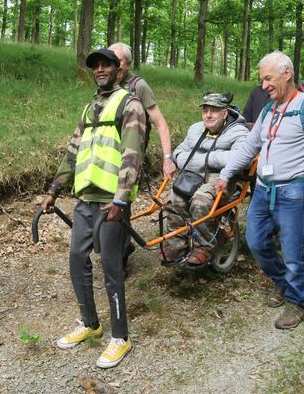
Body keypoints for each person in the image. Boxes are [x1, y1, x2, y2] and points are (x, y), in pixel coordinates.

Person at [215, 51, 304, 330]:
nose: (264, 85)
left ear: (287, 74)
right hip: (263, 189)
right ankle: (282, 282)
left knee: (293, 251)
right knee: (256, 242)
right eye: (262, 80)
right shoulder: (268, 110)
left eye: (268, 79)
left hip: (294, 192)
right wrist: (226, 173)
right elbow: (249, 147)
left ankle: (297, 302)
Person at [42, 48, 145, 369]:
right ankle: (89, 323)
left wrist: (121, 197)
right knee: (76, 258)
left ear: (118, 70)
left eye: (106, 65)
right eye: (95, 66)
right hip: (86, 199)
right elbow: (73, 151)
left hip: (112, 201)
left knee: (111, 268)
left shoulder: (130, 104)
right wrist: (54, 189)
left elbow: (132, 153)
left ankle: (120, 337)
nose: (100, 69)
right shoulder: (90, 108)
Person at [160, 93, 248, 266]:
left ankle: (204, 246)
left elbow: (239, 158)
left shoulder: (239, 131)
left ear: (224, 113)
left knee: (200, 201)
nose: (208, 115)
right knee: (175, 199)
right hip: (194, 176)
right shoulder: (195, 129)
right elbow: (178, 153)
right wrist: (210, 159)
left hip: (222, 178)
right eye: (205, 111)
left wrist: (199, 159)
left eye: (214, 111)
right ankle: (176, 244)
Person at [108, 42, 174, 269]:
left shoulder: (139, 86)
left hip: (129, 158)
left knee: (122, 203)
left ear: (127, 64)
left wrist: (167, 157)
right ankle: (114, 247)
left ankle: (121, 260)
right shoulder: (106, 84)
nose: (114, 67)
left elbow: (161, 123)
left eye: (118, 62)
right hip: (107, 157)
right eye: (111, 61)